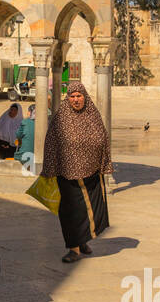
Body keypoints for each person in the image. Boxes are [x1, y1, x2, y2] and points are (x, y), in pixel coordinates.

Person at [40, 82, 112, 263]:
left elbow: (103, 139)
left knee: (90, 211)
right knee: (71, 212)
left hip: (91, 173)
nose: (76, 100)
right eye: (72, 96)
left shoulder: (93, 115)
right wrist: (49, 169)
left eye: (79, 96)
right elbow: (50, 143)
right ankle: (74, 248)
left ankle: (83, 241)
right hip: (67, 174)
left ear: (85, 97)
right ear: (68, 98)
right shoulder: (61, 118)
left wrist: (104, 165)